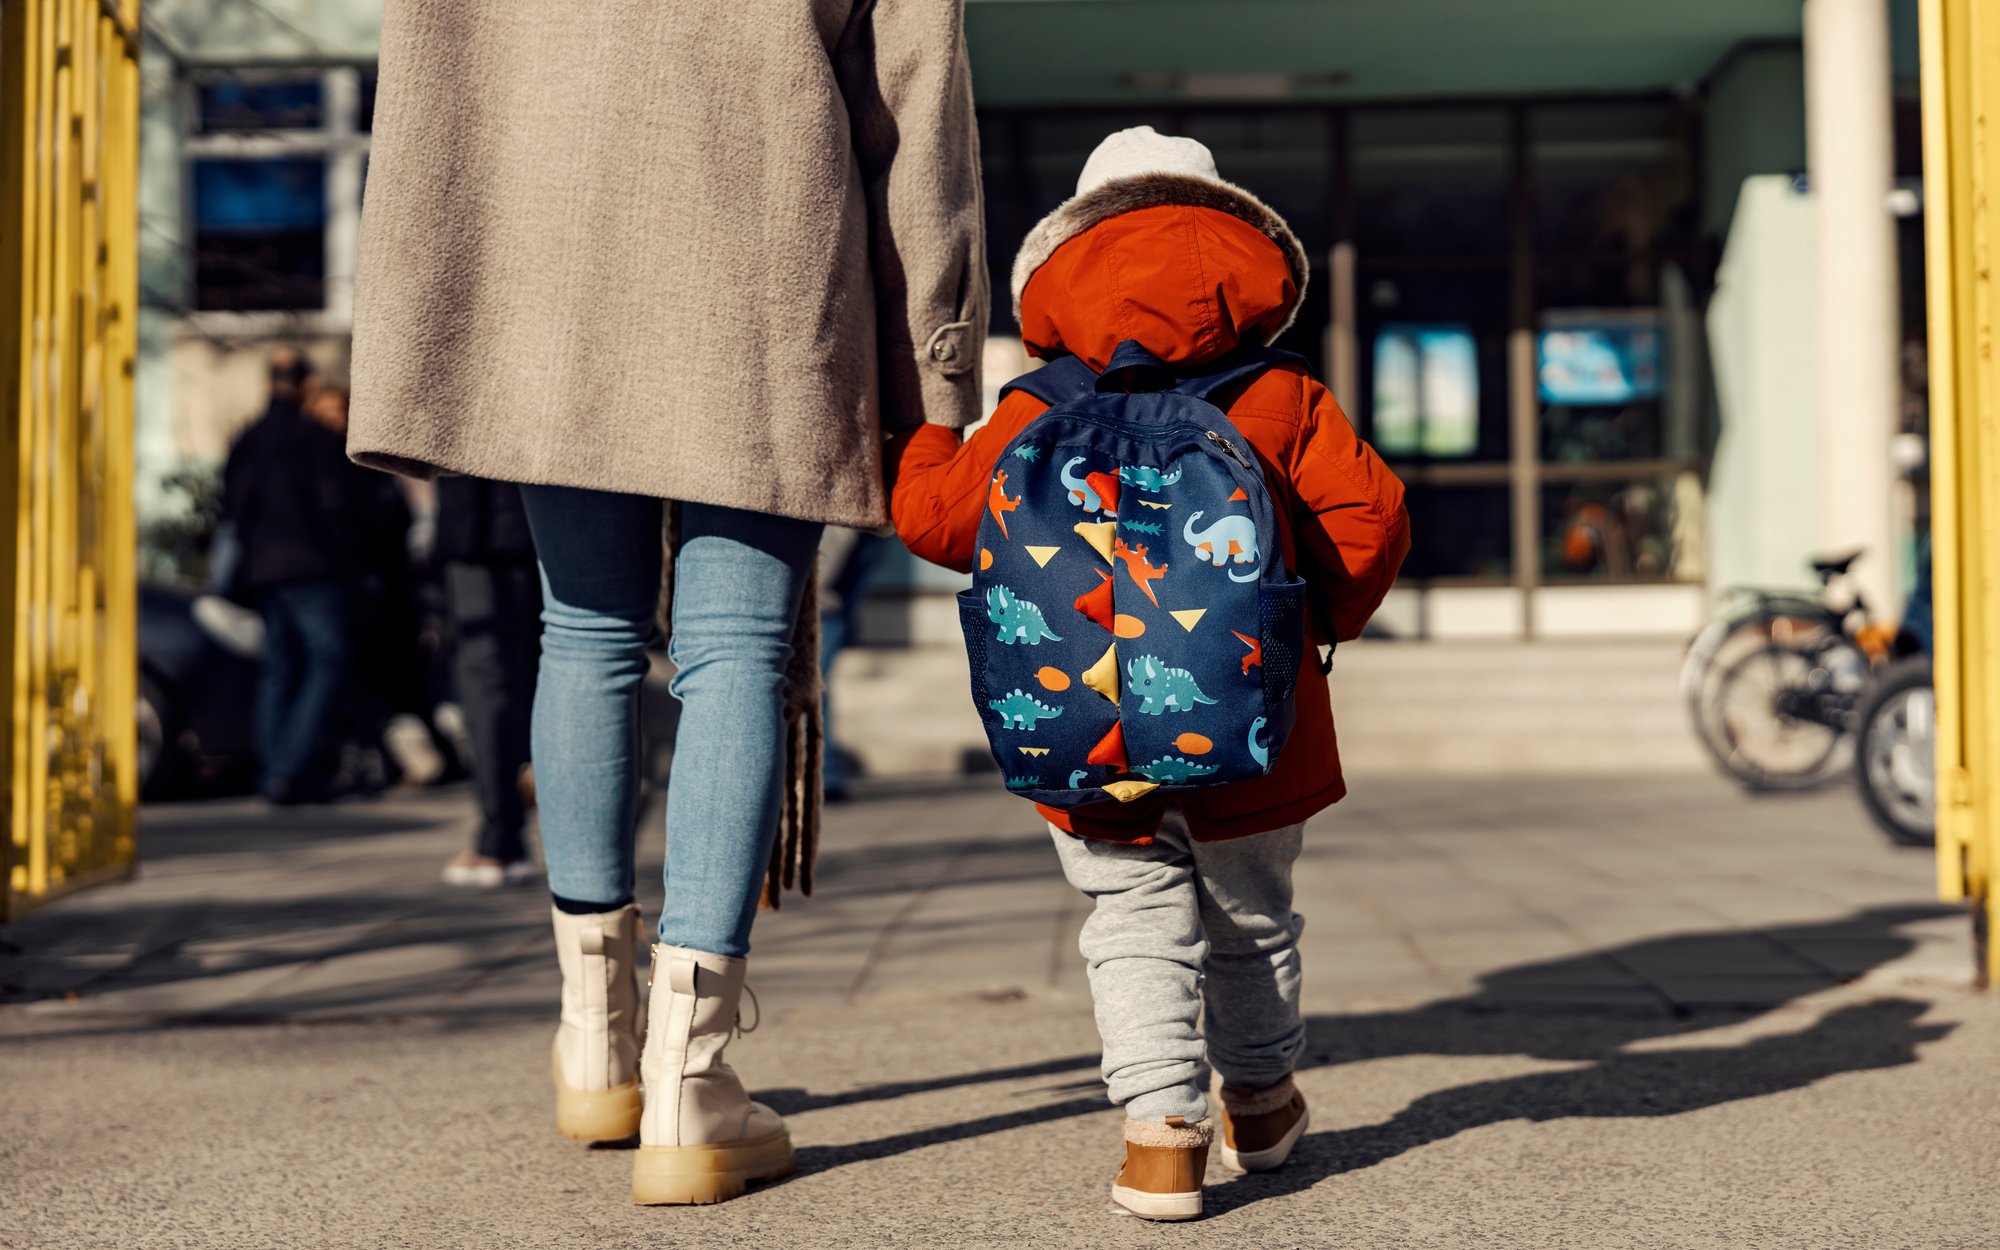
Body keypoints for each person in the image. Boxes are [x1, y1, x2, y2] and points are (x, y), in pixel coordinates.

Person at [344, 1, 985, 1207]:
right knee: (736, 651)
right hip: (762, 270)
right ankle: (690, 1080)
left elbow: (430, 84)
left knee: (580, 635)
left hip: (545, 281)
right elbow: (919, 114)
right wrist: (937, 362)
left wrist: (431, 305)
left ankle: (596, 1043)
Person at [890, 127, 1410, 1220]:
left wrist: (928, 439)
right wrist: (1318, 626)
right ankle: (1261, 1106)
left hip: (1083, 726)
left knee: (1129, 920)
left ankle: (1158, 1138)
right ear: (1239, 256)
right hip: (1255, 715)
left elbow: (935, 521)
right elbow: (1367, 528)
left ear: (1063, 268)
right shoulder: (1281, 396)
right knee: (1252, 915)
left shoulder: (1036, 405)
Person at [221, 353, 373, 804]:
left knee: (279, 669)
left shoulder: (249, 439)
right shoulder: (312, 439)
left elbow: (232, 507)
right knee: (328, 661)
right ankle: (291, 767)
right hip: (313, 568)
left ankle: (275, 770)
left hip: (264, 571)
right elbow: (338, 505)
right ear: (305, 385)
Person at [434, 475, 544, 888]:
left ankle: (500, 837)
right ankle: (587, 849)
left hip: (482, 529)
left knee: (486, 677)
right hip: (552, 514)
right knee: (557, 663)